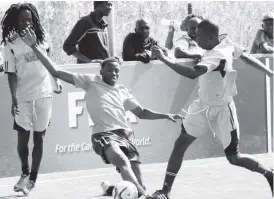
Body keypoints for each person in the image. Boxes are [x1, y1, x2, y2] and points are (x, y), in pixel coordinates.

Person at [19, 27, 182, 198]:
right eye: (110, 69)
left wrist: (166, 115)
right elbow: (55, 71)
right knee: (123, 163)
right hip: (103, 135)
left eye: (117, 71)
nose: (114, 73)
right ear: (101, 71)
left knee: (139, 186)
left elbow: (142, 113)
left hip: (124, 137)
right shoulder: (90, 81)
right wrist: (34, 46)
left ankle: (112, 189)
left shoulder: (121, 90)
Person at [149, 19, 274, 199]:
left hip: (223, 110)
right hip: (202, 107)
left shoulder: (218, 55)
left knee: (234, 158)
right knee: (180, 144)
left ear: (211, 36)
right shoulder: (226, 41)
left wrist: (163, 59)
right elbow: (245, 57)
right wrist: (269, 72)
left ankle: (269, 174)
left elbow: (192, 74)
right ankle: (165, 191)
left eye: (199, 37)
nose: (196, 40)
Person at [1, 3, 62, 195]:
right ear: (15, 23)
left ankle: (32, 179)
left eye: (30, 19)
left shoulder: (42, 37)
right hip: (23, 95)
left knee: (39, 137)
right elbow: (10, 73)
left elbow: (50, 63)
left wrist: (56, 80)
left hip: (44, 94)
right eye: (23, 20)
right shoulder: (9, 42)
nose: (27, 23)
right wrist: (13, 98)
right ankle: (24, 174)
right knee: (22, 138)